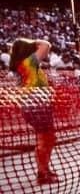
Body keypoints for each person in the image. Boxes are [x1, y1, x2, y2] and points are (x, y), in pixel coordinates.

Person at [10, 37, 56, 184]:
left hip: (37, 106)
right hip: (36, 107)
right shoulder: (28, 62)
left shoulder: (24, 64)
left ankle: (44, 168)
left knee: (49, 138)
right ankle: (42, 173)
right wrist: (33, 42)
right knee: (44, 139)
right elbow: (46, 45)